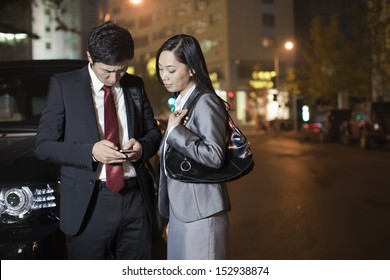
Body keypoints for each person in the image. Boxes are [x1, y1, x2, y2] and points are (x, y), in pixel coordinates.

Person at [34, 21, 162, 259]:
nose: (114, 78)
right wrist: (91, 152)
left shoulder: (135, 85)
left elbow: (154, 133)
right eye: (107, 71)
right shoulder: (64, 86)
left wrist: (141, 147)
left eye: (122, 70)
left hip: (135, 199)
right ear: (89, 57)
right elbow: (44, 146)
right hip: (90, 203)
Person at [156, 34, 231, 259]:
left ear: (191, 69)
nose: (164, 77)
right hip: (181, 210)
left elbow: (215, 155)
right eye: (160, 69)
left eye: (171, 70)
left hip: (202, 213)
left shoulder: (206, 101)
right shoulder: (182, 100)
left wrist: (175, 132)